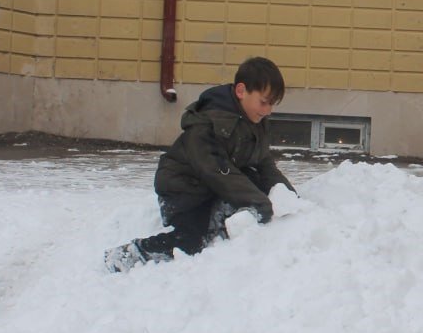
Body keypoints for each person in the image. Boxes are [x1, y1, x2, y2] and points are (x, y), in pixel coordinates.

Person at [104, 56, 294, 272]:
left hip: (213, 186)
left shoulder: (255, 122)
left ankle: (221, 213)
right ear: (242, 91)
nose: (268, 110)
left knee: (257, 183)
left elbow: (263, 162)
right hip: (184, 190)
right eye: (264, 102)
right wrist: (259, 203)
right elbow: (216, 171)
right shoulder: (206, 124)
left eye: (272, 104)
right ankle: (128, 255)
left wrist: (287, 195)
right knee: (192, 240)